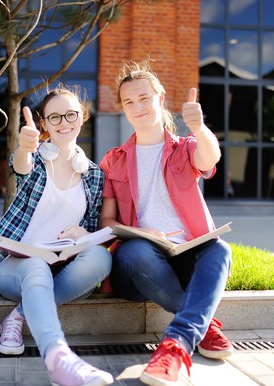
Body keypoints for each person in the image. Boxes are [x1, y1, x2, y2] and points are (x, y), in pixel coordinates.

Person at [99, 61, 233, 386]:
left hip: (185, 255)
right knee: (136, 252)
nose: (137, 107)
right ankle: (204, 324)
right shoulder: (114, 160)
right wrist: (142, 232)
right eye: (129, 102)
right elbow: (107, 221)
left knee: (220, 250)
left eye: (143, 98)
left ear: (160, 99)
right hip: (138, 264)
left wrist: (200, 129)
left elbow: (209, 158)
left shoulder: (185, 148)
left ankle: (176, 347)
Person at [0, 85, 114, 386]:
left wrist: (84, 232)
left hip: (64, 270)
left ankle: (18, 316)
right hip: (18, 268)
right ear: (43, 124)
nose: (64, 122)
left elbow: (93, 229)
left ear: (83, 117)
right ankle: (58, 360)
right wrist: (25, 147)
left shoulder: (93, 174)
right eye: (54, 118)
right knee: (36, 266)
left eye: (70, 115)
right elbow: (19, 167)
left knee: (101, 258)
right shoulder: (36, 158)